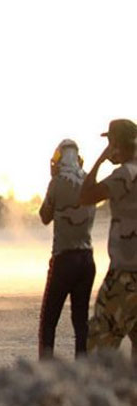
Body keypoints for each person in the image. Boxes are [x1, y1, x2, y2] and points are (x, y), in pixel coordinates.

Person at [79, 119, 137, 363]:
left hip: (125, 276)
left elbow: (85, 196)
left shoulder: (126, 174)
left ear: (117, 144)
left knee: (99, 346)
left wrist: (100, 160)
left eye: (111, 142)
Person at [37, 139, 96, 359]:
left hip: (64, 259)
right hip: (87, 259)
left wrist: (52, 179)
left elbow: (45, 216)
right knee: (81, 322)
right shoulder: (89, 181)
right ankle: (82, 368)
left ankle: (45, 370)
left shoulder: (57, 183)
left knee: (49, 320)